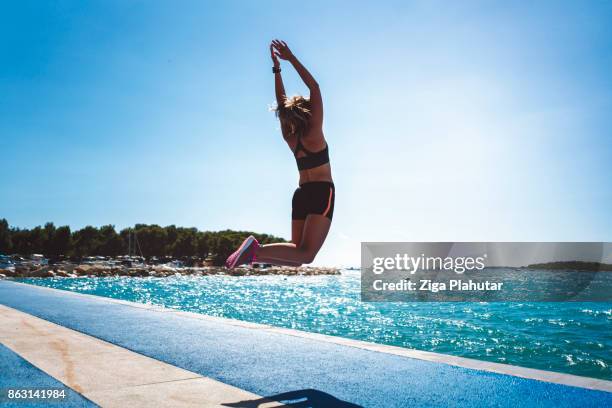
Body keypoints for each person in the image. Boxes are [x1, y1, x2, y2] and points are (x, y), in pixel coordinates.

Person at [226, 39, 334, 269]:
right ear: (308, 112)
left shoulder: (291, 139)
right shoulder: (314, 132)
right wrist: (291, 57)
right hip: (321, 193)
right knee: (307, 256)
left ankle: (253, 255)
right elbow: (315, 87)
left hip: (301, 194)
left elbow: (281, 104)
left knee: (296, 258)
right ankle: (256, 249)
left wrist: (277, 70)